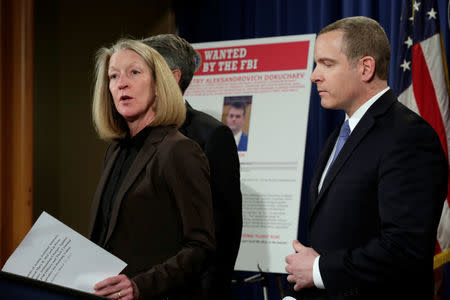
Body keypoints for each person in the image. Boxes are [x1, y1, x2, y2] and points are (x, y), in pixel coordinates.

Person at [284, 16, 448, 300]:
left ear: (366, 68)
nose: (314, 75)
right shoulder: (341, 134)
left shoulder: (409, 137)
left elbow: (404, 250)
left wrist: (319, 270)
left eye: (326, 63)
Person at [88, 38, 215, 300]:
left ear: (159, 85)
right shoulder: (116, 150)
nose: (121, 82)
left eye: (134, 72)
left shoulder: (179, 151)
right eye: (114, 76)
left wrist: (140, 286)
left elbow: (200, 247)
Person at [142, 34, 242, 300]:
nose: (127, 82)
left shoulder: (211, 135)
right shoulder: (126, 137)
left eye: (139, 70)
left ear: (172, 78)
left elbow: (224, 230)